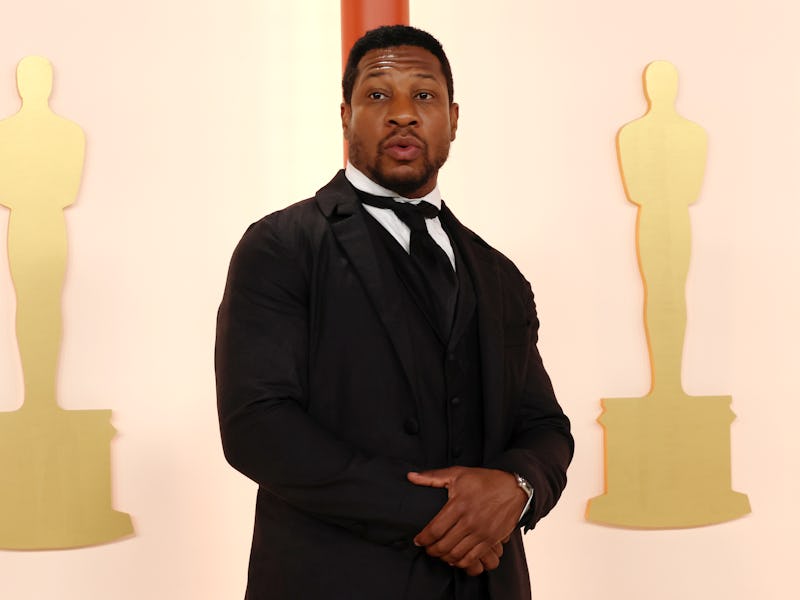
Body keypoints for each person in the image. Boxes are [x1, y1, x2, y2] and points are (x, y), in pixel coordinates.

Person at [216, 25, 573, 600]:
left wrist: (519, 486)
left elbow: (545, 426)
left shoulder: (500, 274)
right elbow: (257, 426)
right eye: (378, 95)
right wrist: (448, 516)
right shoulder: (281, 246)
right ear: (345, 116)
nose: (403, 114)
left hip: (485, 586)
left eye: (424, 96)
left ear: (453, 118)